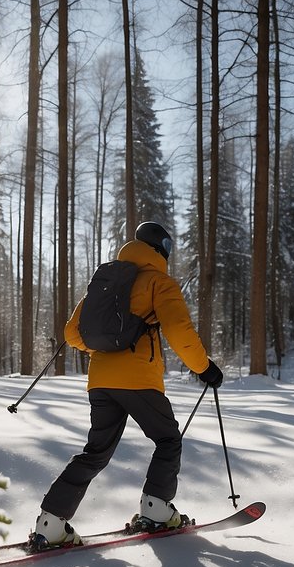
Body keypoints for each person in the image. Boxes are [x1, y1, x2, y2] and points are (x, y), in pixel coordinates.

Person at [32, 221, 224, 547]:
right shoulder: (158, 283)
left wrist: (108, 349)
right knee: (167, 440)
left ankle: (51, 522)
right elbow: (179, 331)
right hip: (139, 380)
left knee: (95, 452)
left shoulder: (107, 281)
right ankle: (157, 509)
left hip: (100, 382)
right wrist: (204, 368)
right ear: (161, 249)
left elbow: (72, 334)